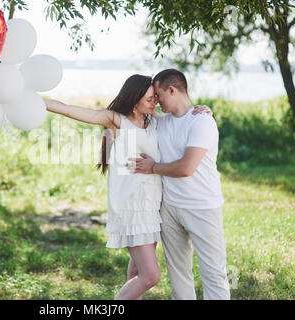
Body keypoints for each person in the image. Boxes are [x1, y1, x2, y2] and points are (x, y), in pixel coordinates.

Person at [44, 74, 211, 300]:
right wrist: (37, 101)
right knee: (150, 276)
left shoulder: (154, 121)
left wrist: (202, 110)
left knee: (136, 272)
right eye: (150, 99)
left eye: (156, 98)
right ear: (135, 99)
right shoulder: (116, 120)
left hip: (151, 207)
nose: (156, 103)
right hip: (132, 208)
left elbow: (181, 114)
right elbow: (69, 109)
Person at [127, 69, 230, 300]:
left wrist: (152, 167)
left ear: (172, 90)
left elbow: (186, 168)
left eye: (158, 95)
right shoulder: (160, 120)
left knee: (213, 274)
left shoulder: (202, 121)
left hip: (202, 207)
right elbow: (129, 107)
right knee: (179, 275)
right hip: (170, 208)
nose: (156, 101)